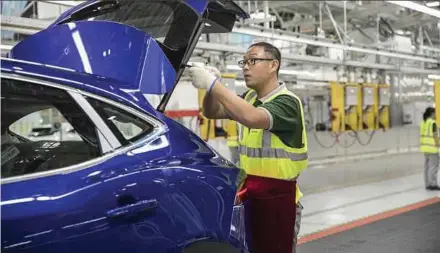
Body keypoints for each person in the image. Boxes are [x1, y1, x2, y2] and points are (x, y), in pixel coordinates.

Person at [186, 42, 307, 253]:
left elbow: (251, 117)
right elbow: (212, 112)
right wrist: (211, 89)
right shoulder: (249, 99)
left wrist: (213, 84)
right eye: (244, 62)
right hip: (251, 193)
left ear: (273, 65)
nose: (245, 67)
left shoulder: (286, 102)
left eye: (253, 60)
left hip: (279, 198)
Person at [420, 107, 440, 190]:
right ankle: (433, 184)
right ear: (432, 113)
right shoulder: (433, 123)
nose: (435, 115)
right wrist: (438, 145)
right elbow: (435, 135)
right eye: (435, 113)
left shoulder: (423, 123)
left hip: (425, 148)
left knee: (427, 167)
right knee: (433, 166)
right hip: (432, 148)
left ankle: (427, 184)